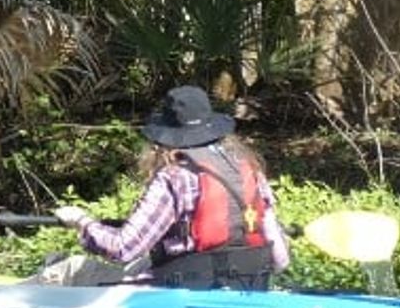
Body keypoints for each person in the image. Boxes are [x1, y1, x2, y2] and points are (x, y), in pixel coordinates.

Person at [45, 84, 291, 288]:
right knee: (141, 264)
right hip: (246, 286)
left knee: (70, 268)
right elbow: (280, 260)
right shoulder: (249, 170)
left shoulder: (174, 178)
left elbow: (123, 248)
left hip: (178, 293)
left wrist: (81, 221)